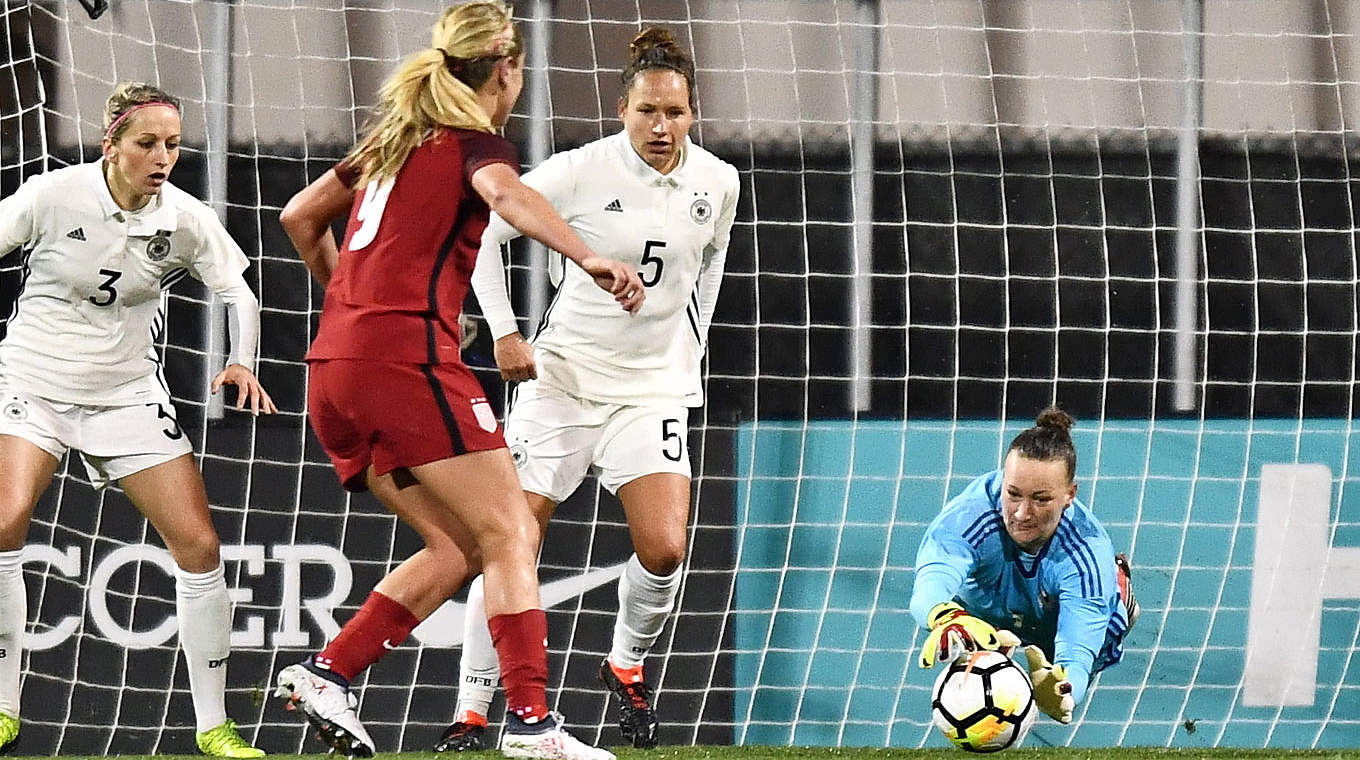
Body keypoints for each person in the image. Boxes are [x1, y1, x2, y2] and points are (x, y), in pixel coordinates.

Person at [271, 3, 642, 759]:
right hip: (406, 362)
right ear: (507, 70)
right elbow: (508, 195)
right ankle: (532, 723)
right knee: (512, 529)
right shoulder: (476, 144)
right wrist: (589, 257)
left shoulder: (394, 140)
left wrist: (349, 303)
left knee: (454, 548)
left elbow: (300, 215)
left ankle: (328, 671)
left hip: (334, 367)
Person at [441, 26, 740, 752]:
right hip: (562, 380)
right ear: (622, 109)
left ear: (692, 114)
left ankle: (625, 665)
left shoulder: (719, 181)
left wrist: (687, 355)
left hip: (651, 391)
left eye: (674, 112)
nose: (660, 126)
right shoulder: (577, 170)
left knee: (665, 548)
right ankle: (473, 711)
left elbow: (707, 273)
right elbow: (482, 234)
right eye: (646, 111)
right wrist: (506, 332)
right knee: (511, 543)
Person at [0, 82, 276, 758]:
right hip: (33, 384)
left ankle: (214, 725)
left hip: (126, 395)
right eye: (147, 143)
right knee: (4, 522)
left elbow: (238, 290)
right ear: (111, 145)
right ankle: (3, 708)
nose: (162, 157)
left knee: (200, 547)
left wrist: (242, 361)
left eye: (173, 145)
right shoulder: (51, 195)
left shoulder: (183, 217)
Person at [910, 407, 1140, 725]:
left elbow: (1076, 653)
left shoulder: (1086, 551)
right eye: (1013, 494)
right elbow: (930, 584)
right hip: (982, 617)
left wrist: (1065, 693)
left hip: (1051, 623)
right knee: (959, 630)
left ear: (1069, 495)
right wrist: (944, 615)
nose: (1021, 513)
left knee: (1103, 621)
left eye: (1041, 499)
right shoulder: (970, 516)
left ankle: (1116, 594)